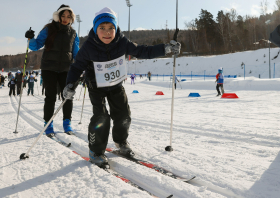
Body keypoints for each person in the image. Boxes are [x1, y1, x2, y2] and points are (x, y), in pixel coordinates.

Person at [63, 7, 181, 167]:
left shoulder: (122, 42)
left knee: (123, 115)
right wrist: (70, 85)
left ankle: (121, 142)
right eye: (102, 28)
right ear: (95, 28)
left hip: (116, 84)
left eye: (111, 28)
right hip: (96, 85)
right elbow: (77, 67)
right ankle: (96, 151)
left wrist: (165, 48)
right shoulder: (88, 47)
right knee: (101, 117)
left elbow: (142, 51)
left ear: (116, 28)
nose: (107, 32)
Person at [25, 4, 79, 137]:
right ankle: (48, 124)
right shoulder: (49, 29)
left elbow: (76, 52)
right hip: (49, 68)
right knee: (50, 96)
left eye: (68, 16)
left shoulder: (72, 33)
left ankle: (67, 123)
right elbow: (36, 45)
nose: (65, 19)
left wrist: (83, 64)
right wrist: (30, 38)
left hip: (66, 68)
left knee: (67, 96)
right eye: (63, 16)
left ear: (71, 18)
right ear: (58, 16)